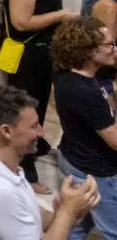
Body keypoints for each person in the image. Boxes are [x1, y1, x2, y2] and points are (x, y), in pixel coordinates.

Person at [0, 83, 101, 240]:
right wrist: (67, 213)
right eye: (34, 126)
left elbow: (26, 213)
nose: (41, 132)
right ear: (7, 131)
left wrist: (63, 213)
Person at [1, 0, 80, 189]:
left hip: (43, 50)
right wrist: (59, 15)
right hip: (29, 54)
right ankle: (25, 170)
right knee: (26, 113)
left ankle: (37, 143)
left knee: (39, 106)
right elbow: (21, 22)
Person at [51, 17, 117, 239]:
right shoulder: (84, 92)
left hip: (75, 157)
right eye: (108, 45)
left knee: (77, 223)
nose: (114, 49)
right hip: (97, 172)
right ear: (88, 51)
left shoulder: (68, 74)